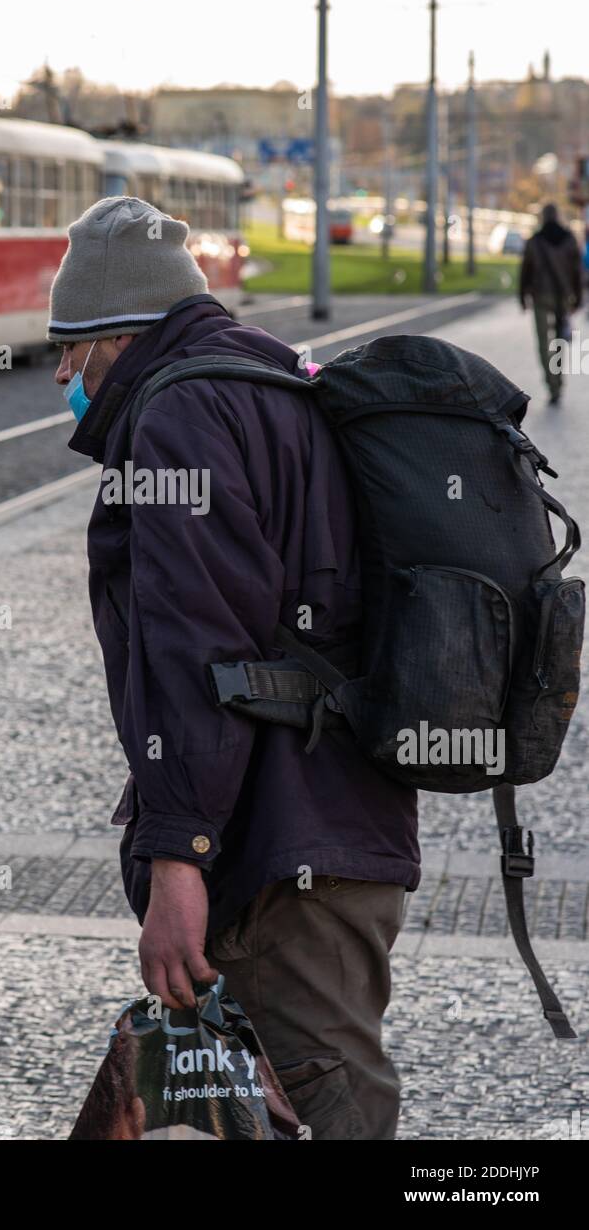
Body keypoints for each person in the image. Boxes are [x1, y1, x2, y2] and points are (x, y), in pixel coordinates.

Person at [49, 196, 420, 1140]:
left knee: (325, 1101)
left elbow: (195, 650)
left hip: (274, 857)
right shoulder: (281, 380)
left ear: (119, 337)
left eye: (71, 347)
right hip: (342, 831)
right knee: (319, 1086)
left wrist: (179, 858)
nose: (61, 372)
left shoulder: (179, 413)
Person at [519, 203, 583, 404]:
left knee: (543, 343)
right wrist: (578, 299)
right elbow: (577, 272)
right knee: (559, 342)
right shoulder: (570, 240)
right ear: (558, 216)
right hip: (562, 298)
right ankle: (559, 379)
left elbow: (525, 272)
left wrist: (522, 297)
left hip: (540, 297)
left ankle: (551, 383)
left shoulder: (534, 241)